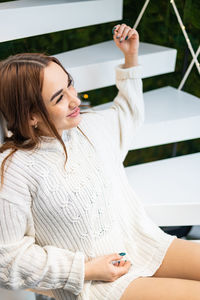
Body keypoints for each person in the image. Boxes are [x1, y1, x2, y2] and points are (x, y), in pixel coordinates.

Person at [0, 23, 200, 300]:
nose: (75, 100)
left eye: (70, 84)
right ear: (31, 115)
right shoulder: (13, 170)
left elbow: (127, 115)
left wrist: (130, 59)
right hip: (98, 286)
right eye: (59, 98)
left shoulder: (89, 128)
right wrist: (85, 269)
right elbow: (7, 259)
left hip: (142, 244)